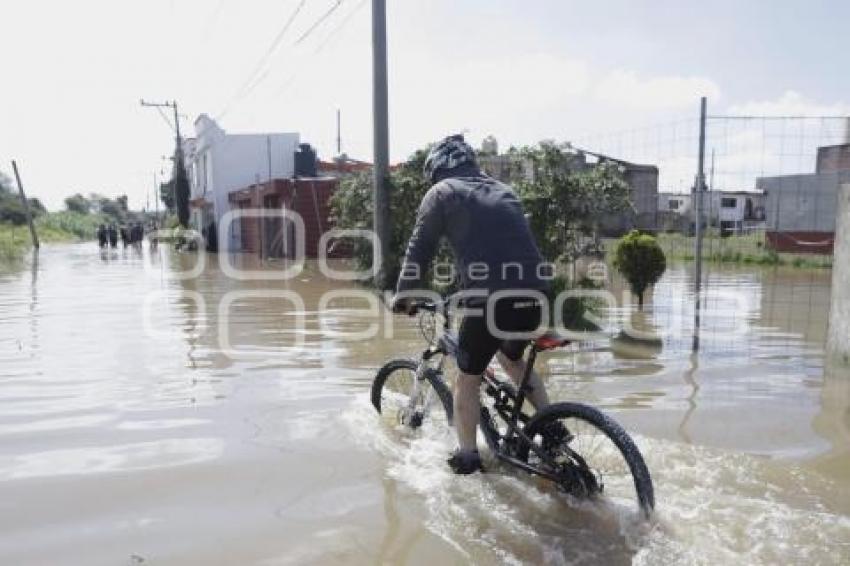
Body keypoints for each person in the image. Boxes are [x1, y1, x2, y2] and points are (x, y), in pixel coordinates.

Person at [391, 134, 558, 474]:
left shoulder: (442, 192)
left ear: (437, 168)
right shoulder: (503, 190)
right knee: (513, 360)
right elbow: (500, 247)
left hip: (492, 299)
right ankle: (553, 428)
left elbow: (419, 250)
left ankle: (467, 456)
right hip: (537, 292)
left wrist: (403, 296)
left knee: (467, 378)